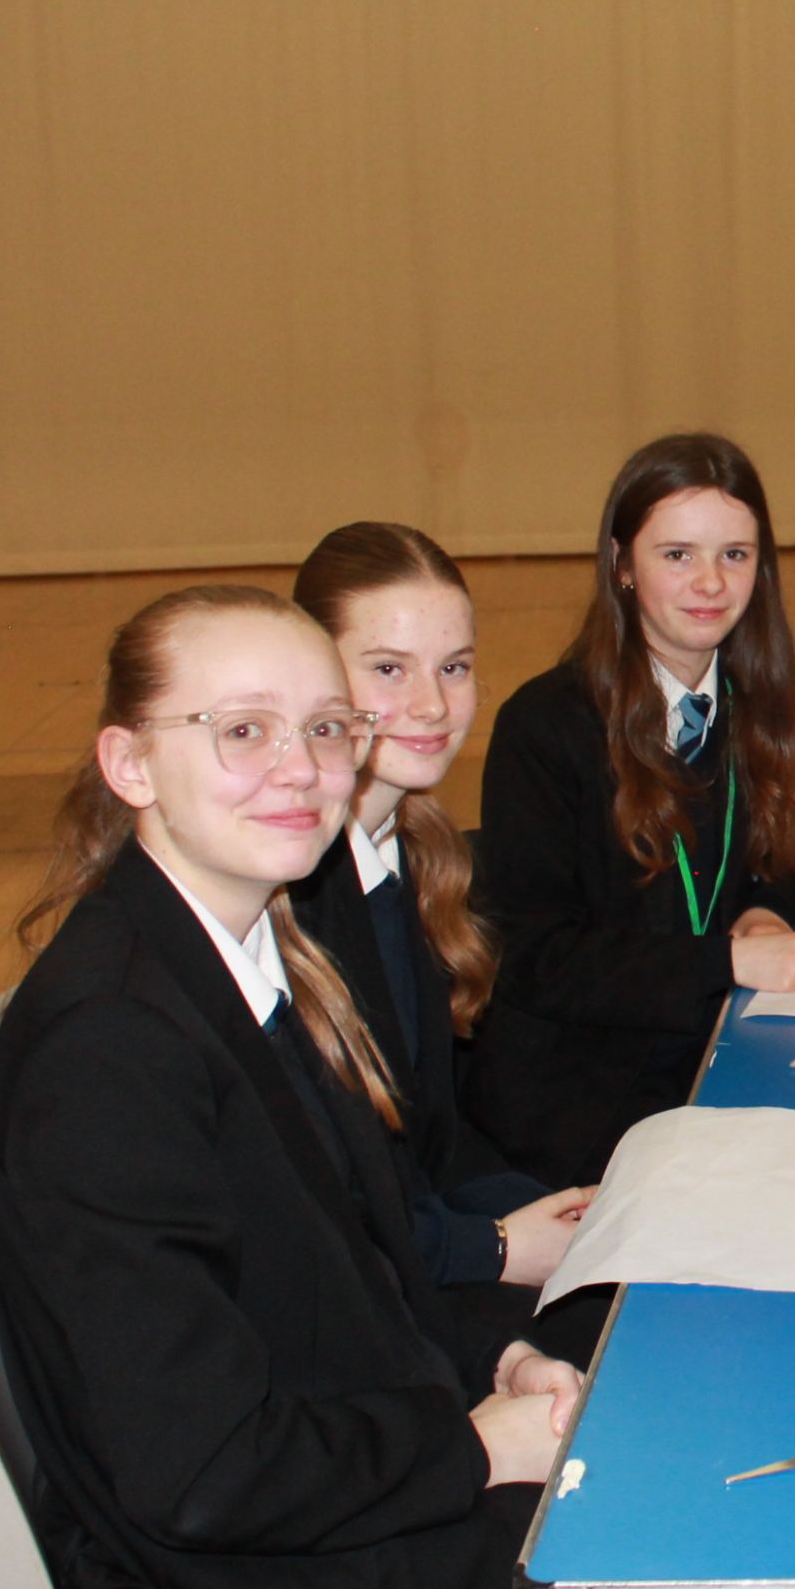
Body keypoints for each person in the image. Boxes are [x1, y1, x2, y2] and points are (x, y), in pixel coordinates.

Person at [0, 584, 795, 1589]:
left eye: (322, 727)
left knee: (764, 1479)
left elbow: (367, 1263)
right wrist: (473, 1445)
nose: (299, 766)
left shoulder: (249, 962)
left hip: (355, 1496)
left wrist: (495, 1352)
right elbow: (198, 1469)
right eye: (241, 729)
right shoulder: (108, 1049)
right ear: (129, 762)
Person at [470, 434, 795, 1187]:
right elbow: (534, 955)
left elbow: (784, 849)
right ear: (622, 565)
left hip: (707, 1053)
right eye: (677, 554)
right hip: (582, 1098)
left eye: (735, 554)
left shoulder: (751, 698)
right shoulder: (546, 723)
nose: (711, 583)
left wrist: (763, 912)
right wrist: (726, 958)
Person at [289, 521, 587, 1294]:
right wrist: (494, 1246)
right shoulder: (293, 904)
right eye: (388, 668)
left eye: (453, 667)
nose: (431, 704)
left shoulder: (413, 854)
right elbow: (331, 1216)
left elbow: (430, 1142)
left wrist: (552, 1214)